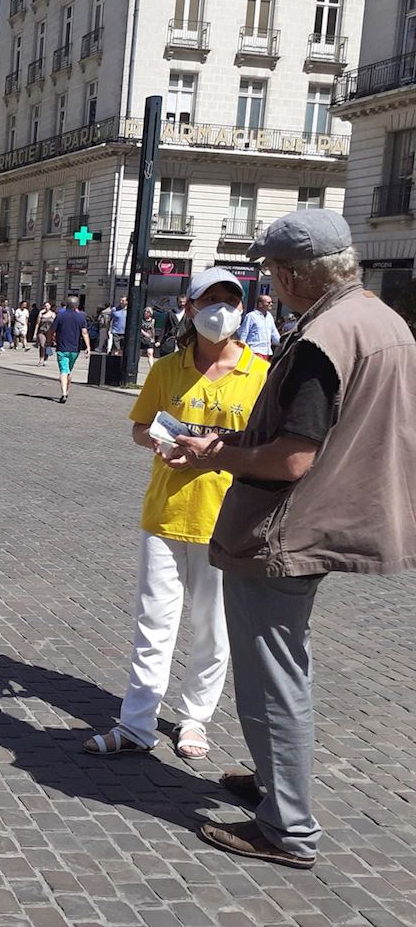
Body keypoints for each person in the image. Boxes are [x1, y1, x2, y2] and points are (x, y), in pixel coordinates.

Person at [171, 210, 416, 870]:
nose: (272, 286)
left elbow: (292, 458)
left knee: (271, 679)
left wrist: (216, 454)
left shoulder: (320, 338)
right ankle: (273, 780)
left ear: (294, 275)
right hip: (335, 511)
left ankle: (288, 827)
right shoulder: (381, 318)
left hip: (287, 525)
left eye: (274, 274)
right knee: (287, 665)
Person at [83, 268, 268, 761]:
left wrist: (219, 451)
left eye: (230, 300)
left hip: (225, 519)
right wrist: (159, 442)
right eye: (210, 300)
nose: (220, 310)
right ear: (189, 307)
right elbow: (140, 427)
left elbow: (266, 447)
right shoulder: (167, 368)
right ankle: (137, 723)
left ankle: (195, 719)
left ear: (242, 309)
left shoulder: (261, 374)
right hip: (164, 514)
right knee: (153, 623)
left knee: (213, 629)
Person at [50, 295, 90, 403]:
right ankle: (67, 391)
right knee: (69, 370)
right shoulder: (81, 317)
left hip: (62, 348)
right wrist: (88, 347)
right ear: (77, 305)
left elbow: (52, 330)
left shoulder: (60, 316)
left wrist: (49, 341)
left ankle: (63, 393)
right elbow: (84, 333)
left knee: (64, 371)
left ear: (66, 304)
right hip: (75, 349)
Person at [237, 293, 281, 361]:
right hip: (254, 351)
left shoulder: (269, 316)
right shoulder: (251, 316)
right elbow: (243, 333)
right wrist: (241, 349)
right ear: (260, 304)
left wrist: (281, 343)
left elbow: (274, 333)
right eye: (268, 302)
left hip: (267, 352)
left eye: (272, 302)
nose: (271, 304)